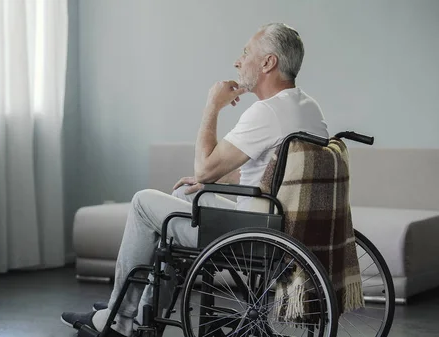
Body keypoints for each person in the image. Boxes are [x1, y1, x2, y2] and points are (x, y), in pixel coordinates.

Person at [60, 22, 329, 337]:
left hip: (253, 235)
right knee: (188, 194)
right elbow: (269, 173)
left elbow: (204, 167)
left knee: (143, 202)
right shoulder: (307, 107)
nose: (238, 62)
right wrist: (210, 180)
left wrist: (212, 106)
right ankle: (137, 315)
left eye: (246, 53)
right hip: (282, 225)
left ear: (268, 63)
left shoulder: (266, 113)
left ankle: (118, 320)